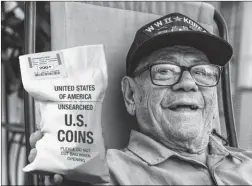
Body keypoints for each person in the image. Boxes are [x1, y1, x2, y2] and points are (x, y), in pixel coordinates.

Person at [28, 12, 252, 185]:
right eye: (165, 70)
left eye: (202, 72)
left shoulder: (247, 162)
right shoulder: (107, 173)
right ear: (131, 95)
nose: (188, 83)